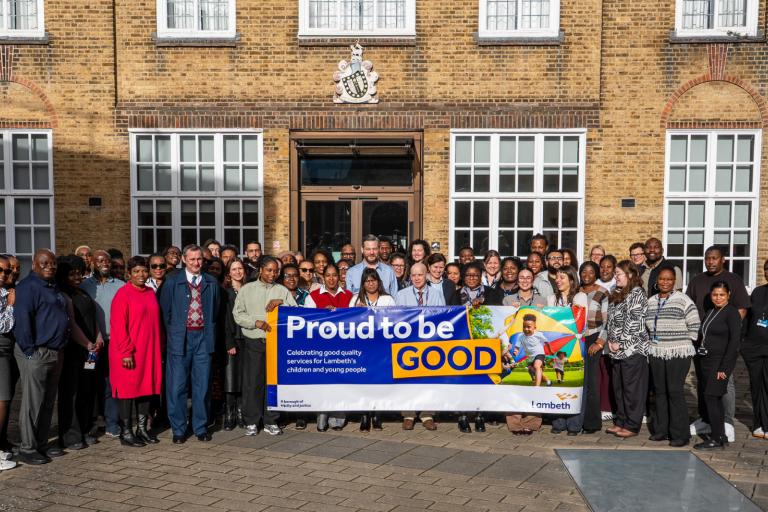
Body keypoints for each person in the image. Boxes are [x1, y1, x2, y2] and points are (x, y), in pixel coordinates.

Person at [13, 250, 88, 464]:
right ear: (34, 265)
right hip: (37, 351)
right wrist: (30, 351)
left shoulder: (51, 285)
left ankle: (41, 444)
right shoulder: (28, 287)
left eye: (53, 263)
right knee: (33, 403)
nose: (50, 266)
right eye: (45, 263)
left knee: (47, 402)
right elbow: (23, 320)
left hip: (56, 352)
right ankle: (27, 448)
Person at [686, 245, 750, 442]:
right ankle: (707, 419)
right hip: (701, 342)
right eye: (708, 258)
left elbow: (742, 308)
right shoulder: (697, 280)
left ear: (723, 259)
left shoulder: (733, 280)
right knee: (704, 382)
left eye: (714, 258)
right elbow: (689, 306)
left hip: (721, 344)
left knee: (724, 383)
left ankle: (726, 422)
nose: (711, 261)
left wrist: (727, 329)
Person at [159, 244, 221, 444]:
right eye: (192, 259)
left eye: (199, 259)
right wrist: (174, 333)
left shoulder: (211, 282)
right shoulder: (172, 281)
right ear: (184, 260)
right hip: (180, 338)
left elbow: (216, 311)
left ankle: (200, 427)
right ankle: (179, 429)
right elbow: (165, 312)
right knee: (177, 386)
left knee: (202, 386)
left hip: (203, 337)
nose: (196, 263)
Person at [234, 256, 296, 436]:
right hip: (254, 342)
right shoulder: (247, 289)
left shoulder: (282, 290)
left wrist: (281, 302)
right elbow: (238, 314)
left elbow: (294, 311)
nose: (272, 274)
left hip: (275, 343)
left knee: (272, 383)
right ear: (260, 270)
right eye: (269, 270)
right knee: (252, 383)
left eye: (276, 271)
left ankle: (271, 420)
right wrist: (255, 323)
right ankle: (252, 421)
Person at [109, 256, 163, 447]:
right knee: (127, 391)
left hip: (149, 351)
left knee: (146, 388)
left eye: (144, 271)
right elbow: (118, 326)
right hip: (128, 352)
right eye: (136, 271)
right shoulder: (122, 294)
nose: (141, 274)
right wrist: (126, 352)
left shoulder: (149, 292)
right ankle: (126, 432)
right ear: (128, 274)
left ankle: (142, 429)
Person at [645, 265, 699, 447]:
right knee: (660, 391)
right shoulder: (651, 301)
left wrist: (683, 342)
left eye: (669, 279)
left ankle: (680, 434)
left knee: (674, 391)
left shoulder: (683, 300)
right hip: (656, 350)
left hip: (678, 351)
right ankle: (661, 430)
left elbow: (694, 324)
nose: (665, 282)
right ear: (657, 281)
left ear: (674, 281)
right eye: (662, 279)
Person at [56, 255, 103, 451]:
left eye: (79, 273)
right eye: (72, 274)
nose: (77, 277)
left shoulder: (82, 292)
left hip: (90, 352)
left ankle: (85, 429)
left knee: (86, 389)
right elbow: (72, 324)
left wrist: (98, 338)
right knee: (71, 392)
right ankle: (71, 435)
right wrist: (87, 343)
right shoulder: (63, 295)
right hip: (74, 351)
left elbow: (93, 318)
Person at [601, 260, 649, 439]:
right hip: (616, 351)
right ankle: (621, 421)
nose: (616, 277)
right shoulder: (617, 292)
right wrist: (611, 341)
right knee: (619, 388)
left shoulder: (637, 293)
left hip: (632, 350)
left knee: (632, 390)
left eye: (618, 274)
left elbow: (634, 322)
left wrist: (620, 343)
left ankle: (632, 425)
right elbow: (612, 320)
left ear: (629, 275)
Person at [81, 250, 124, 440]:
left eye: (106, 260)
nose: (104, 263)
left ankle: (112, 423)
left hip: (113, 343)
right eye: (99, 260)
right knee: (89, 380)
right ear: (92, 263)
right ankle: (90, 423)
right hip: (91, 346)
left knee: (110, 382)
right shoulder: (84, 286)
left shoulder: (121, 286)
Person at [304, 261, 352, 431]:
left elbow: (354, 320)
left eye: (334, 275)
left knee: (340, 383)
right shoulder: (312, 297)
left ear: (339, 277)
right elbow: (306, 321)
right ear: (323, 277)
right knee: (323, 382)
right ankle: (322, 415)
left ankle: (338, 417)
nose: (331, 279)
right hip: (321, 347)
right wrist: (322, 314)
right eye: (328, 275)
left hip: (343, 347)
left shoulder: (349, 296)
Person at [693, 281, 741, 450]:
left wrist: (724, 368)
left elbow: (734, 342)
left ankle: (716, 438)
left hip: (719, 363)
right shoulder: (711, 311)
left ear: (728, 295)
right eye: (715, 295)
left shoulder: (732, 312)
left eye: (722, 295)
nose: (718, 298)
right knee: (712, 399)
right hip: (706, 361)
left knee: (712, 398)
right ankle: (720, 435)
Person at [396, 262, 444, 431]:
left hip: (430, 343)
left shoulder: (437, 294)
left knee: (429, 380)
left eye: (420, 275)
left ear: (427, 276)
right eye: (414, 275)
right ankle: (408, 415)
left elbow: (443, 317)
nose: (417, 278)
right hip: (407, 343)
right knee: (407, 379)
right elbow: (396, 319)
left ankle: (427, 414)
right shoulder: (401, 295)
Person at [350, 268, 395, 431]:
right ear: (363, 284)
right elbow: (348, 323)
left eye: (373, 280)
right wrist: (357, 312)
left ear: (378, 282)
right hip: (363, 348)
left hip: (381, 347)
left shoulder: (387, 299)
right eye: (367, 281)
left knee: (378, 381)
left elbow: (395, 320)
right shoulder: (355, 299)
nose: (371, 284)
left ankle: (377, 414)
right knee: (363, 382)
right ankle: (364, 414)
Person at [547, 266, 589, 435]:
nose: (558, 280)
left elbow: (579, 321)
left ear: (571, 280)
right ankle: (558, 422)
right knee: (558, 381)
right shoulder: (551, 298)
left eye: (562, 277)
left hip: (575, 346)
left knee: (575, 382)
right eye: (557, 277)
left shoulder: (580, 296)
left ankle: (574, 424)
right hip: (557, 345)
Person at [581, 261, 611, 433]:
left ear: (596, 274)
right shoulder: (576, 291)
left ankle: (592, 423)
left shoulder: (602, 292)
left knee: (592, 382)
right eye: (584, 271)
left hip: (594, 337)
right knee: (580, 380)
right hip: (577, 339)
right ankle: (578, 419)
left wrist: (600, 342)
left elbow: (607, 320)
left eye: (591, 272)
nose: (587, 275)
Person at [742, 259, 768, 439]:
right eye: (766, 269)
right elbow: (748, 319)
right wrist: (743, 344)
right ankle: (758, 423)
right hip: (754, 348)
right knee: (756, 386)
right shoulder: (758, 292)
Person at [222, 259, 247, 431]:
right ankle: (229, 414)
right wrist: (229, 342)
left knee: (244, 379)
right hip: (232, 339)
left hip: (247, 338)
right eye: (234, 269)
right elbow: (224, 319)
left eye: (240, 268)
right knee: (231, 379)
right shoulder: (226, 292)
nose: (237, 272)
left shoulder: (249, 289)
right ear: (229, 273)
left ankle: (241, 413)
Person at [0, 255, 17, 470]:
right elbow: (3, 325)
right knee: (2, 400)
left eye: (7, 271)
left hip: (5, 350)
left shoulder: (5, 291)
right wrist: (11, 306)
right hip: (1, 349)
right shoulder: (7, 296)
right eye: (0, 270)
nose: (4, 274)